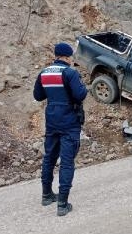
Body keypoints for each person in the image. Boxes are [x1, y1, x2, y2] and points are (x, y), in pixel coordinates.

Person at [33, 42, 88, 217]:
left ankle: (46, 195)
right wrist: (83, 87)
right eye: (71, 56)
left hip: (51, 121)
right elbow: (80, 95)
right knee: (66, 161)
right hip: (69, 122)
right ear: (66, 56)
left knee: (49, 157)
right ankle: (63, 204)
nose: (72, 59)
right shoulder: (70, 73)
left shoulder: (44, 73)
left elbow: (38, 95)